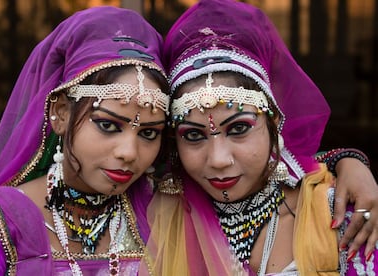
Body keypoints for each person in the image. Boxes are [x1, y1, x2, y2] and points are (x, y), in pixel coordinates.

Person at [145, 0, 378, 275]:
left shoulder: (336, 211)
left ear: (275, 121)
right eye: (194, 135)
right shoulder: (156, 213)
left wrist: (347, 160)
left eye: (239, 129)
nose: (219, 160)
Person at [0, 6, 170, 275]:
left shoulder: (163, 217)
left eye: (148, 133)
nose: (129, 152)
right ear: (60, 113)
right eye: (108, 125)